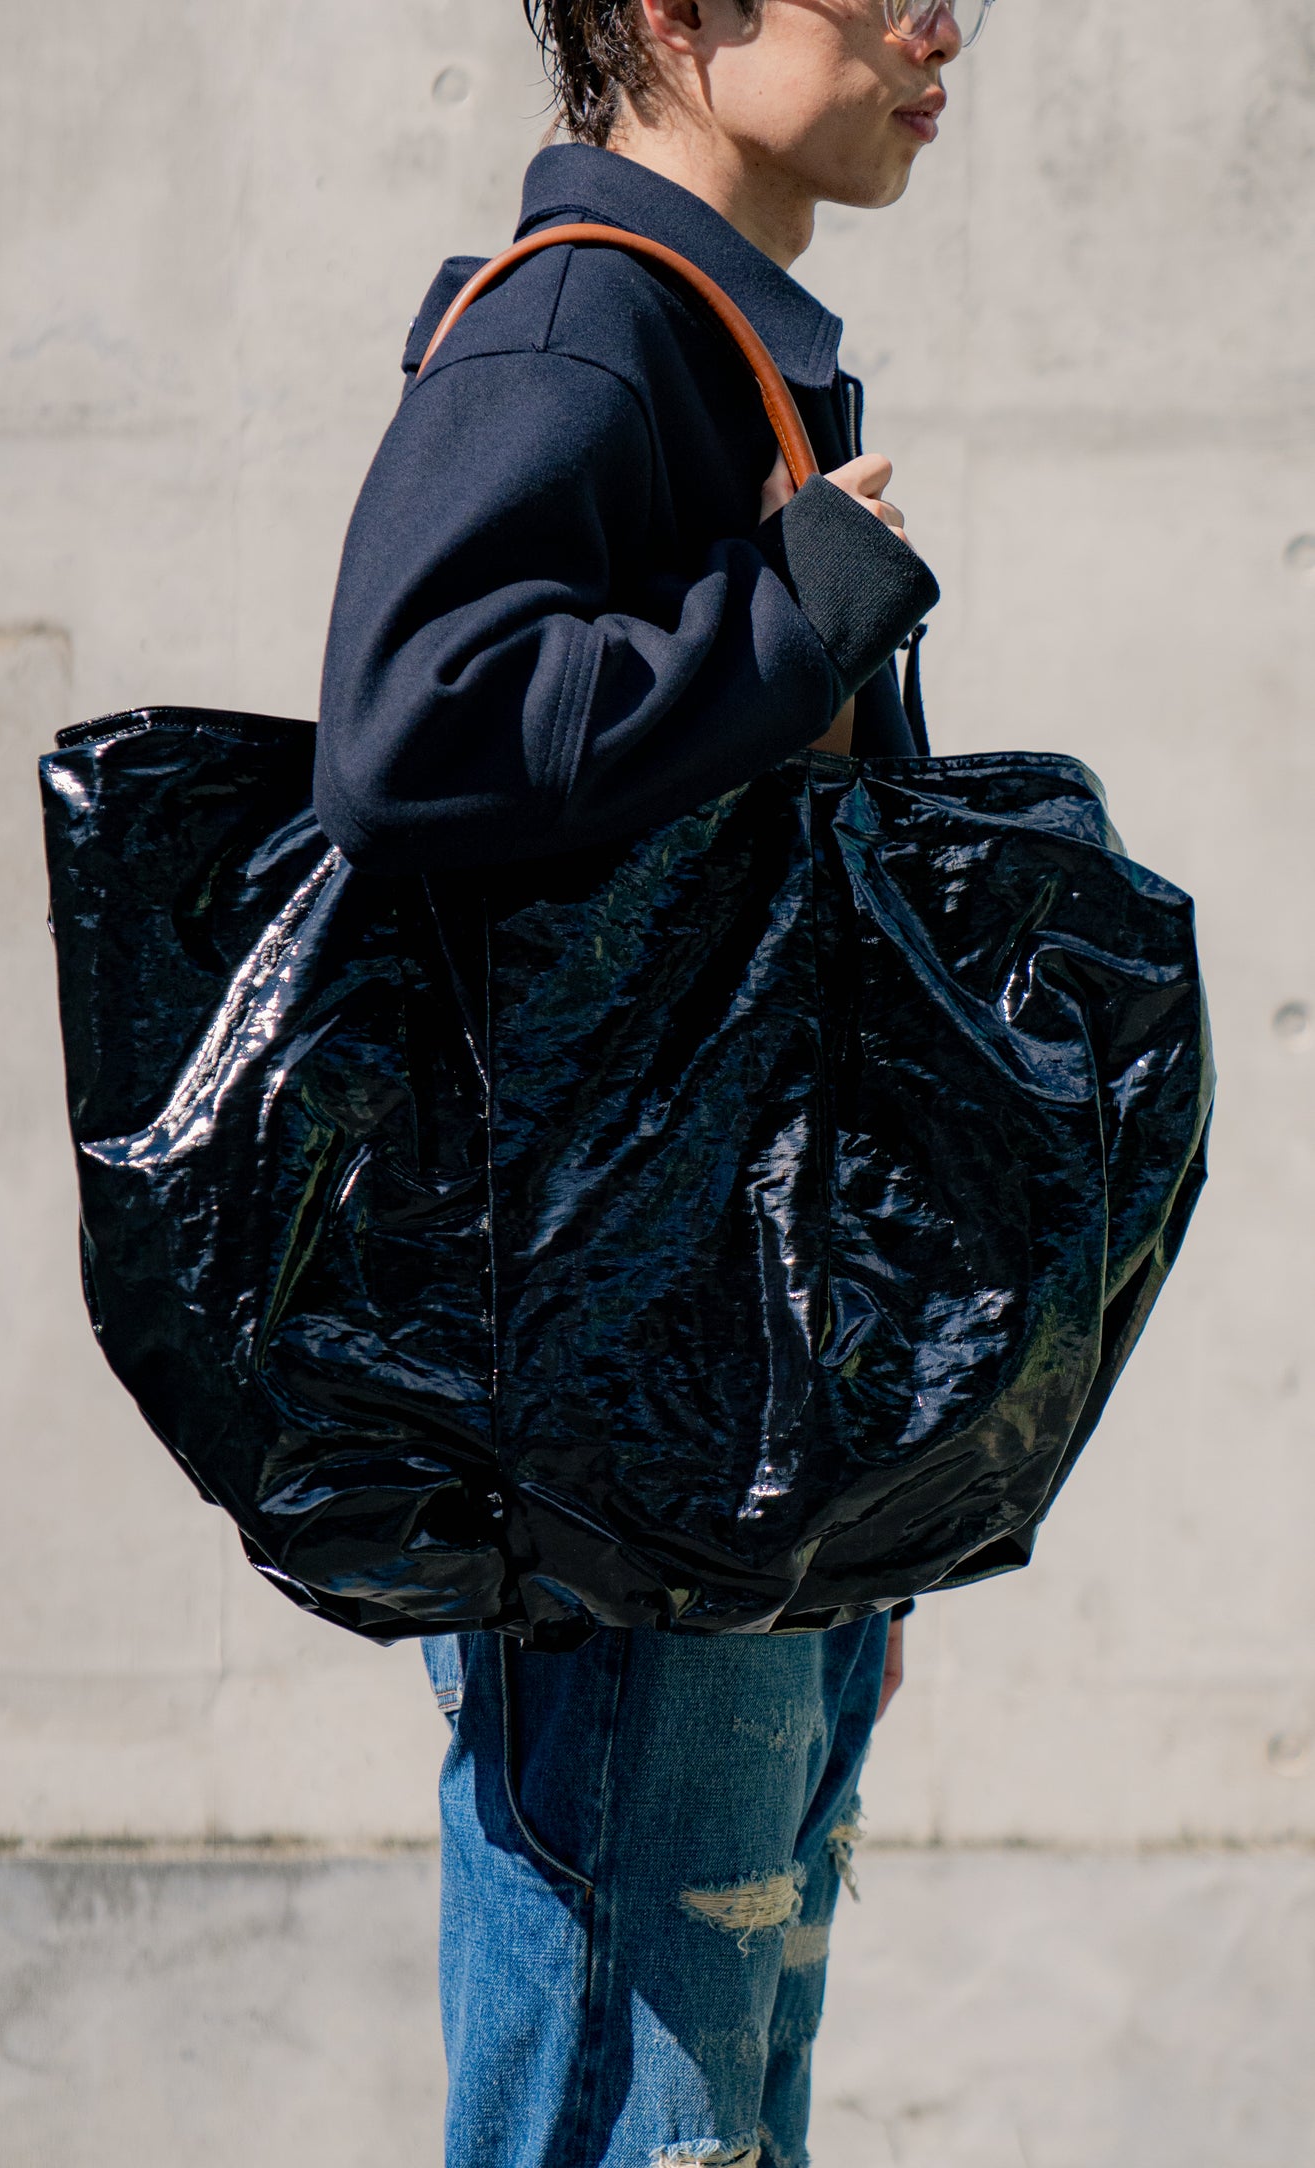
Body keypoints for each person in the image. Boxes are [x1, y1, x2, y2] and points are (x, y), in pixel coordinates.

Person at [314, 5, 978, 2163]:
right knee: (641, 2113)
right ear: (677, 18)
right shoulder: (586, 329)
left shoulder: (710, 350)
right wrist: (781, 631)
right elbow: (408, 733)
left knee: (717, 2106)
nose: (936, 21)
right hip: (631, 1444)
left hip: (736, 1417)